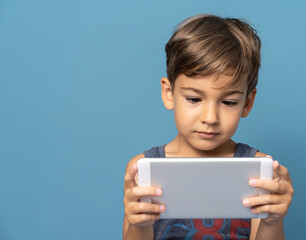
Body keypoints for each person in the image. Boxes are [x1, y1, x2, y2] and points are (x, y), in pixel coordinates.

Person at [123, 14, 294, 240]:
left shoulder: (257, 170)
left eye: (229, 102)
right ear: (169, 94)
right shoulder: (143, 168)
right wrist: (139, 224)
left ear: (247, 103)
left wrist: (273, 221)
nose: (210, 117)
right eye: (194, 99)